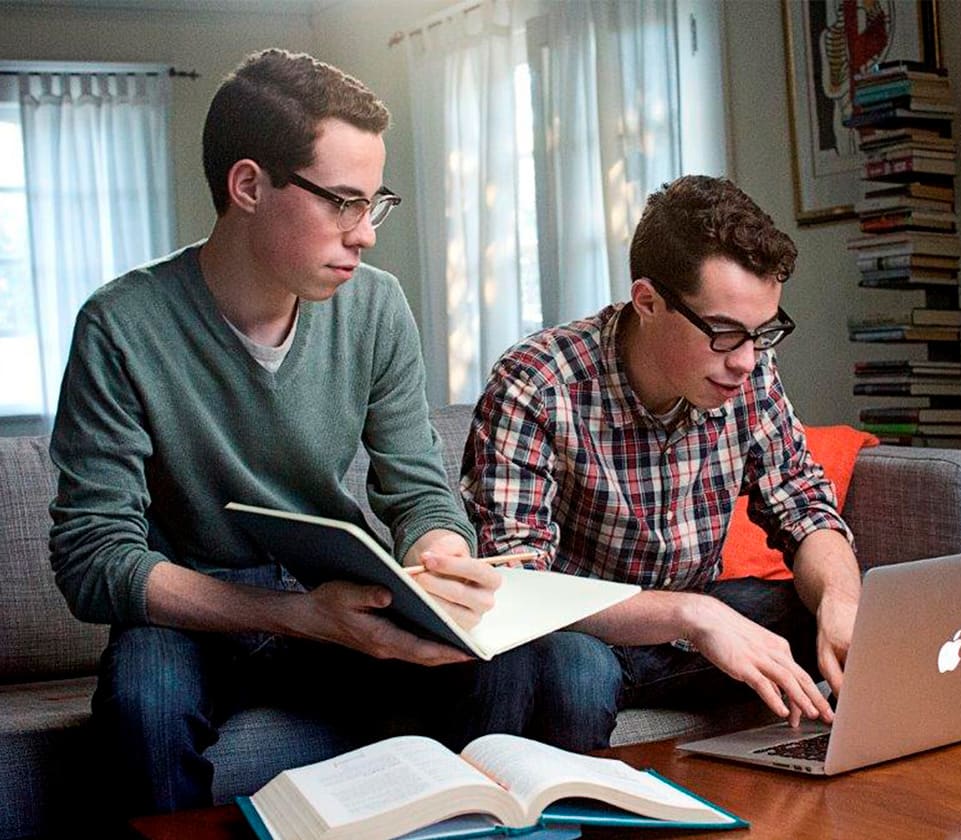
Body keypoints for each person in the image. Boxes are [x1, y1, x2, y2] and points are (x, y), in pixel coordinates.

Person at [49, 48, 607, 821]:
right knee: (146, 701)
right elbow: (93, 560)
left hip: (339, 594)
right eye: (342, 202)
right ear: (249, 186)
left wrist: (439, 558)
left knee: (500, 666)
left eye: (374, 204)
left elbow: (419, 492)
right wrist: (293, 615)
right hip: (196, 609)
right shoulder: (120, 325)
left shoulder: (376, 309)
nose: (365, 234)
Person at [461, 175, 863, 749]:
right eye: (724, 334)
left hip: (687, 631)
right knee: (575, 671)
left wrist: (841, 604)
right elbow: (519, 586)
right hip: (582, 634)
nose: (747, 361)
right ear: (647, 301)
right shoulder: (539, 382)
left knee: (834, 615)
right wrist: (693, 617)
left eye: (762, 334)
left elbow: (804, 506)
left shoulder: (748, 374)